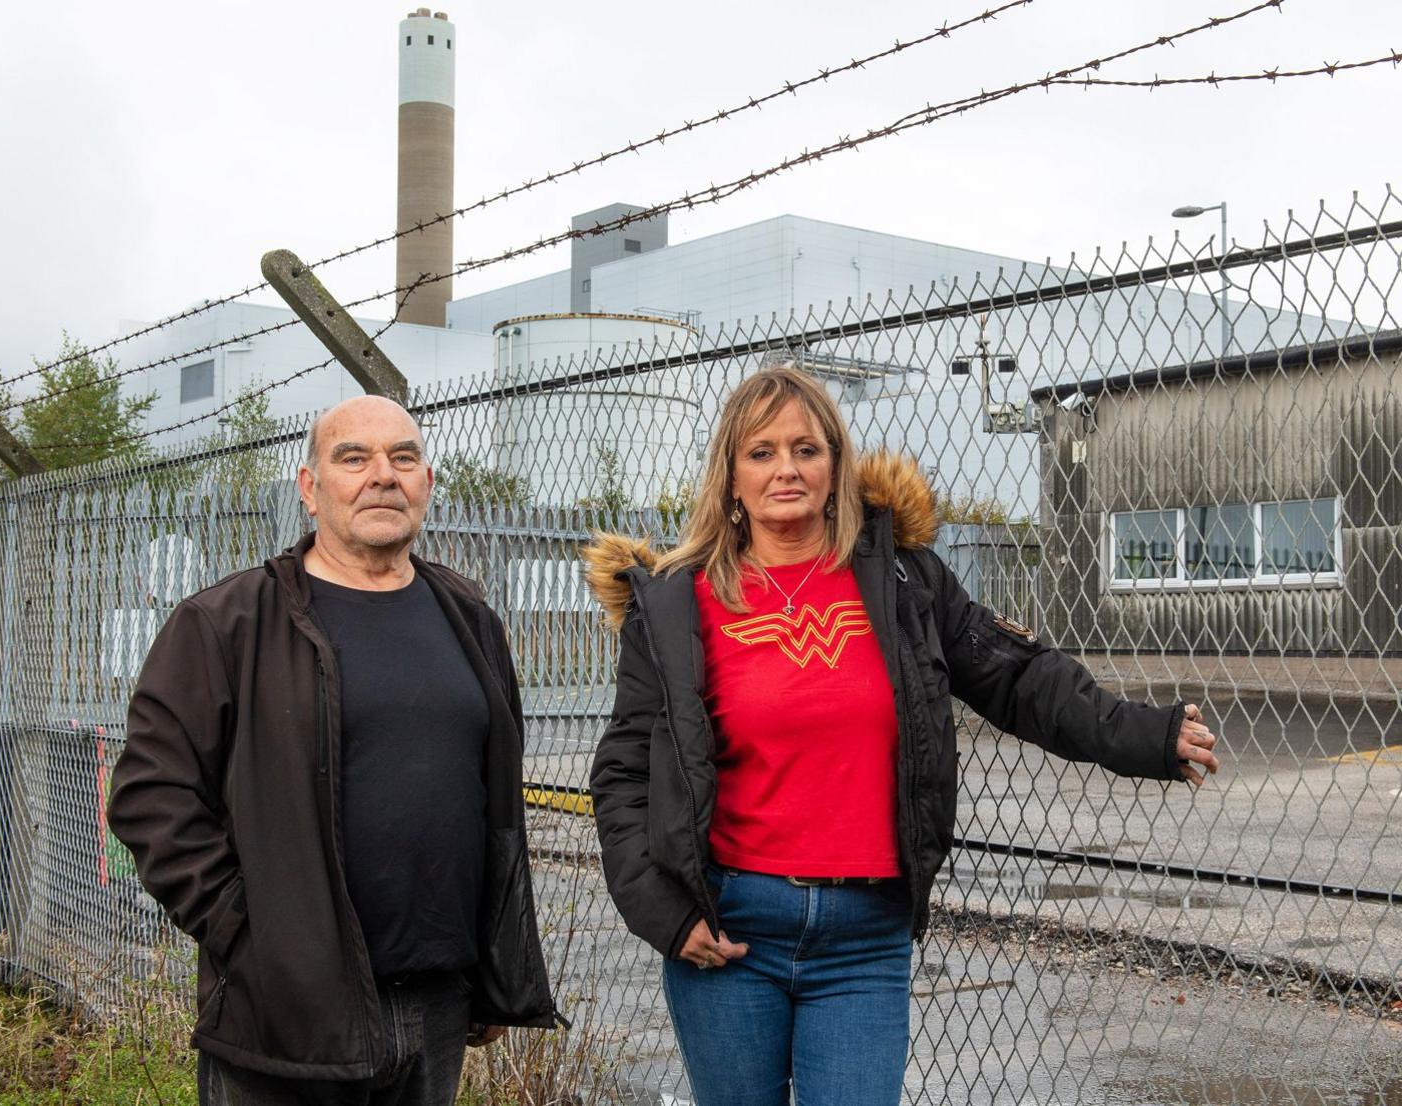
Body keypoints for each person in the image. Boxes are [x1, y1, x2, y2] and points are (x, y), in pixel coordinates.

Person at [581, 366, 1219, 1106]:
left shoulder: (903, 581)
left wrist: (1144, 734)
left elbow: (1017, 678)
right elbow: (623, 773)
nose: (785, 468)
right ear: (729, 475)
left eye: (805, 449)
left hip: (864, 937)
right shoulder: (675, 607)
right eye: (760, 452)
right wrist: (664, 913)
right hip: (728, 932)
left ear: (836, 467)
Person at [108, 395, 559, 1106]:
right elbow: (150, 797)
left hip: (437, 1005)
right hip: (288, 1010)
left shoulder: (469, 620)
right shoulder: (227, 624)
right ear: (310, 489)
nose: (383, 475)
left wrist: (491, 966)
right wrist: (251, 934)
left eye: (402, 458)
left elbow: (491, 807)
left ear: (427, 484)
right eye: (354, 458)